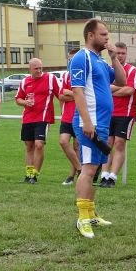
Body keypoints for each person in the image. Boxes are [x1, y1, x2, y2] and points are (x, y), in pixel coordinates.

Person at [70, 18, 126, 238]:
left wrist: (114, 58)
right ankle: (82, 218)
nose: (107, 38)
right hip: (90, 123)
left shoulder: (100, 61)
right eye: (103, 34)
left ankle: (91, 213)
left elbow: (121, 81)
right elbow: (77, 91)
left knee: (94, 170)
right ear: (90, 35)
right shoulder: (81, 58)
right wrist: (86, 121)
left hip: (101, 123)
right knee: (88, 170)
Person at [98, 42, 136, 188]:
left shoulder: (132, 70)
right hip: (108, 113)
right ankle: (104, 175)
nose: (120, 56)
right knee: (107, 144)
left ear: (126, 54)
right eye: (118, 53)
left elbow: (129, 90)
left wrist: (110, 89)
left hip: (125, 113)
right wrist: (118, 88)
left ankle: (113, 177)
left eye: (123, 53)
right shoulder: (107, 69)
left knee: (119, 144)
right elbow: (102, 89)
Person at [15, 57, 61, 183]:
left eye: (41, 68)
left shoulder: (50, 79)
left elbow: (61, 95)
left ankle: (34, 176)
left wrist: (65, 110)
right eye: (36, 68)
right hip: (28, 118)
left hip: (43, 117)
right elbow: (18, 99)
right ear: (30, 69)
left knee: (39, 145)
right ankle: (29, 175)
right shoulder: (24, 82)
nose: (39, 71)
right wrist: (25, 102)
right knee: (29, 146)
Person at [58, 49, 82, 185]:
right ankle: (80, 169)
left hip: (80, 116)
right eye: (70, 60)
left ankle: (71, 176)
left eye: (74, 59)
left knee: (77, 146)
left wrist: (70, 93)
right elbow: (61, 96)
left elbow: (85, 95)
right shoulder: (66, 75)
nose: (71, 62)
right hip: (67, 116)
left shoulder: (84, 74)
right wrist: (76, 95)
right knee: (63, 142)